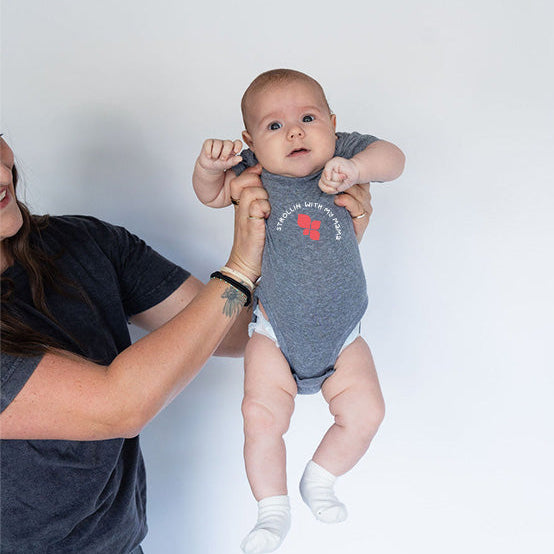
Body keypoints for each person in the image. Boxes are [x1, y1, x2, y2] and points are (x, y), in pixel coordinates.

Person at [0, 133, 372, 553]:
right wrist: (239, 267)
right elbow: (119, 407)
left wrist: (324, 251)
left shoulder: (82, 242)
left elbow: (231, 328)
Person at [193, 69, 405, 553]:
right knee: (260, 416)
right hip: (275, 332)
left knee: (367, 411)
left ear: (333, 123)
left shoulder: (342, 155)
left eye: (308, 118)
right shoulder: (254, 171)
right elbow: (211, 194)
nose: (294, 132)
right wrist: (208, 167)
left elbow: (395, 159)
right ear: (250, 142)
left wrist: (357, 169)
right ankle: (272, 511)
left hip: (344, 336)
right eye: (274, 126)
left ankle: (321, 478)